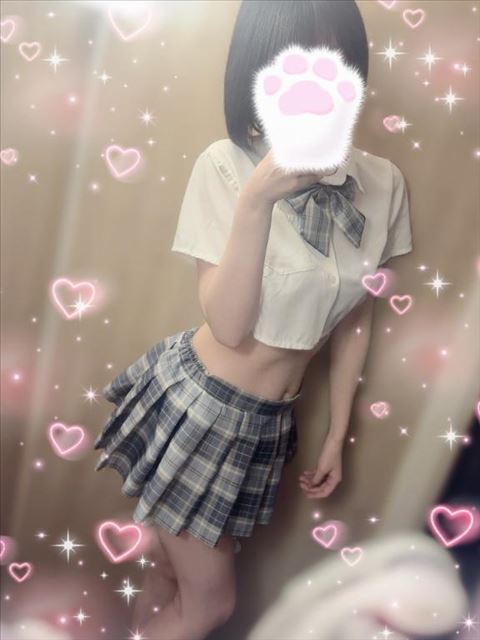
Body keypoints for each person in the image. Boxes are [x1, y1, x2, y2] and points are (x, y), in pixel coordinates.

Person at [93, 1, 413, 638]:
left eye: (334, 60)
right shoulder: (225, 165)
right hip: (200, 406)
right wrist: (257, 199)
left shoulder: (383, 183)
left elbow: (356, 318)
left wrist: (336, 433)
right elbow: (230, 327)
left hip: (270, 423)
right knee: (210, 604)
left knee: (169, 573)